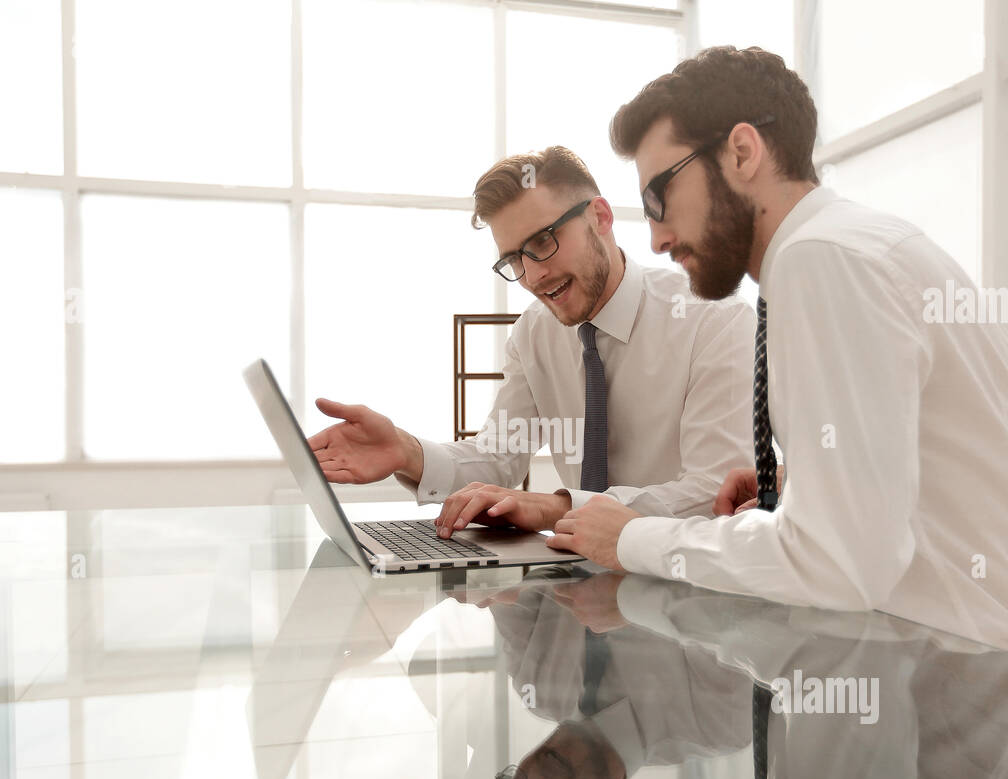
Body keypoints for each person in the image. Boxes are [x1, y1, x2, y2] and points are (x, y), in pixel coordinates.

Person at [547, 46, 1008, 660]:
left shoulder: (823, 262)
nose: (656, 237)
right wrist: (805, 483)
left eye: (659, 199)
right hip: (936, 671)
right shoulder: (855, 246)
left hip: (929, 688)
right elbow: (910, 491)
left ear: (741, 151)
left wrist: (635, 539)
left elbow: (836, 563)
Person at [307, 146, 754, 539]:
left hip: (688, 593)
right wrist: (406, 451)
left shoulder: (713, 321)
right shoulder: (535, 333)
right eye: (514, 259)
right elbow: (499, 455)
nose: (534, 276)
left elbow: (714, 491)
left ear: (600, 217)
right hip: (577, 581)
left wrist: (557, 508)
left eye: (543, 241)